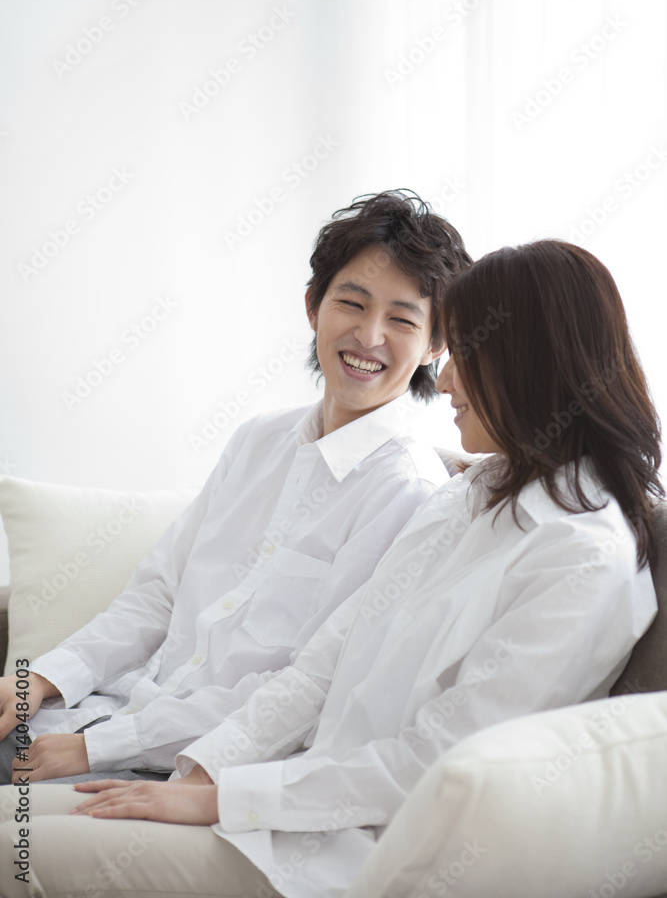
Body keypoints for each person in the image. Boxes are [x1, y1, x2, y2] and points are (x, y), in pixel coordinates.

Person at [0, 239, 661, 898]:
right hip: (266, 801)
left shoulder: (578, 555)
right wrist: (205, 775)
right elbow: (322, 668)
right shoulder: (468, 495)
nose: (446, 381)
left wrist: (226, 796)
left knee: (13, 852)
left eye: (465, 353)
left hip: (348, 853)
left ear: (529, 364)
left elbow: (440, 762)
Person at [0, 189, 472, 787]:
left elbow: (305, 688)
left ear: (435, 345)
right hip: (108, 709)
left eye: (401, 320)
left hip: (194, 767)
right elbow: (158, 593)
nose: (369, 335)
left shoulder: (407, 491)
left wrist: (97, 749)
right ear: (313, 307)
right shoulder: (258, 439)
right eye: (351, 303)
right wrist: (42, 679)